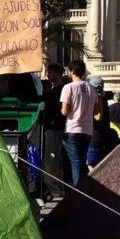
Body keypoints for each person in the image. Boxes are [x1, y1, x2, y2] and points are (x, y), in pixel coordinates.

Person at [60, 60, 101, 185]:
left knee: (75, 163)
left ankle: (77, 191)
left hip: (73, 129)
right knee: (82, 162)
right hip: (87, 130)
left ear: (72, 71)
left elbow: (64, 111)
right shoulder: (92, 89)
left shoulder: (68, 87)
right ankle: (84, 188)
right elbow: (97, 111)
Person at [41, 64, 67, 197]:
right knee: (57, 159)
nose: (47, 75)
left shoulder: (57, 91)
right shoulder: (61, 89)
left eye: (49, 72)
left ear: (57, 73)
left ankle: (54, 189)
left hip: (53, 128)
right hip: (58, 127)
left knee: (50, 160)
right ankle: (59, 187)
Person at [86, 76, 119, 170]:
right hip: (101, 139)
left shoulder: (97, 98)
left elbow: (98, 117)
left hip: (95, 140)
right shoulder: (102, 98)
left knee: (92, 169)